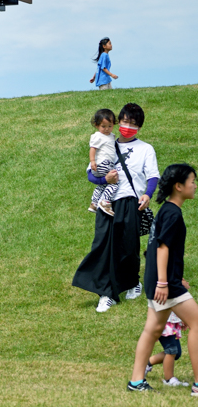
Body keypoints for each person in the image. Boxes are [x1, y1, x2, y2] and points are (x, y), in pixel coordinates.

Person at [72, 103, 159, 313]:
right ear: (118, 122)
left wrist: (147, 194)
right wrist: (104, 179)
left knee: (128, 248)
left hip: (131, 201)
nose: (128, 125)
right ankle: (106, 293)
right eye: (125, 121)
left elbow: (153, 176)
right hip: (107, 203)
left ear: (140, 126)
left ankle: (132, 283)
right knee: (103, 246)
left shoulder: (145, 149)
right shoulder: (106, 141)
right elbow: (91, 174)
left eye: (134, 123)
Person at [127, 163, 198, 392]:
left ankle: (136, 381)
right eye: (192, 182)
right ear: (179, 186)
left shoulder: (167, 210)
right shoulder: (173, 213)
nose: (195, 186)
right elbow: (162, 248)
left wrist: (172, 278)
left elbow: (160, 248)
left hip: (160, 280)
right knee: (197, 324)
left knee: (153, 329)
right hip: (164, 284)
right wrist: (164, 283)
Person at [145, 311, 189, 387]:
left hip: (171, 321)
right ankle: (169, 379)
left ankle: (146, 363)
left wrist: (182, 318)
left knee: (177, 353)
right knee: (171, 350)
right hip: (163, 321)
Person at [88, 108, 118, 216]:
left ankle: (94, 203)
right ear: (96, 125)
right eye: (103, 126)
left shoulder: (111, 136)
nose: (107, 129)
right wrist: (92, 161)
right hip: (103, 164)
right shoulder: (98, 136)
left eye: (110, 126)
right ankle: (105, 202)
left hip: (103, 165)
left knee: (103, 185)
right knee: (115, 181)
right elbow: (92, 149)